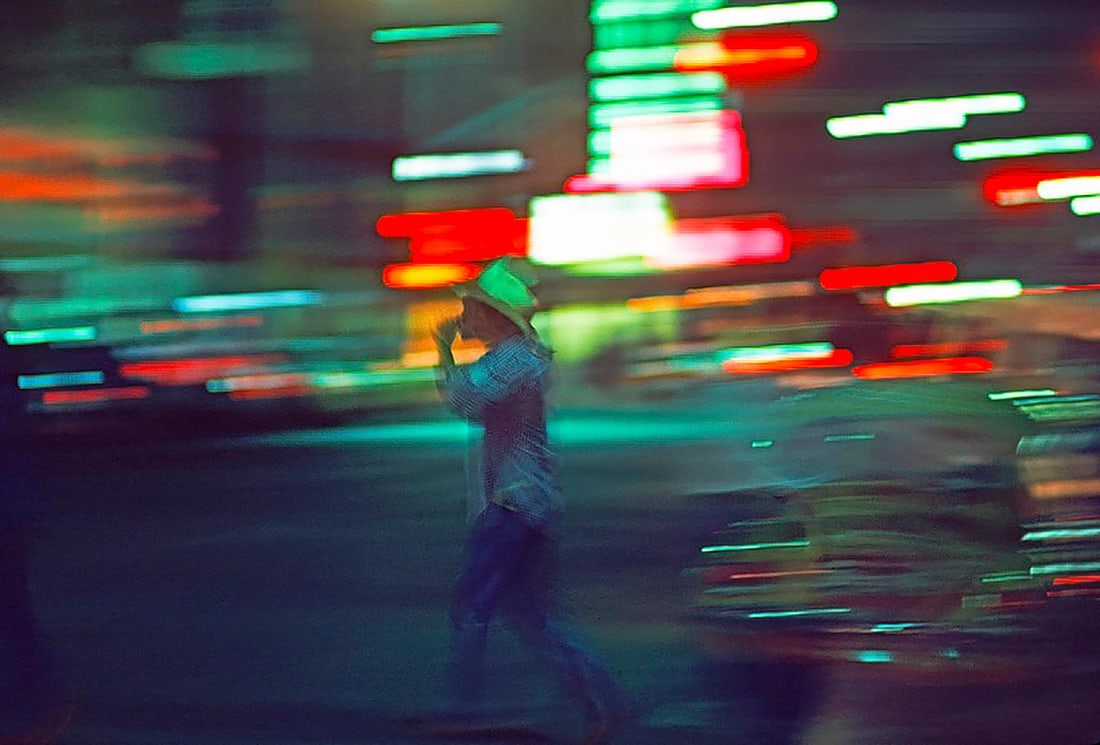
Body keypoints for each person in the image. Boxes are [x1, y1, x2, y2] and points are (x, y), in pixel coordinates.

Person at [419, 258, 627, 744]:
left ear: (492, 315)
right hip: (527, 503)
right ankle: (598, 702)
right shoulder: (515, 358)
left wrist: (442, 350)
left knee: (475, 608)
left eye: (468, 308)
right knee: (535, 616)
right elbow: (475, 408)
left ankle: (462, 712)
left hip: (512, 505)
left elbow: (459, 401)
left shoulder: (511, 359)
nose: (462, 317)